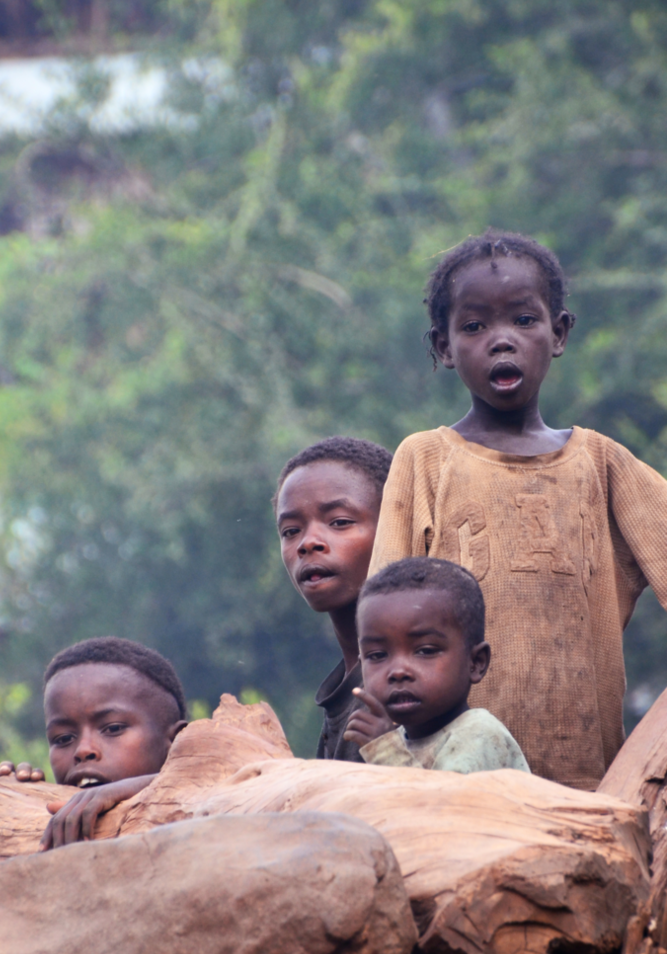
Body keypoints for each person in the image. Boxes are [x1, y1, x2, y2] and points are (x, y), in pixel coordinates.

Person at [369, 228, 667, 789]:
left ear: (559, 333)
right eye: (475, 326)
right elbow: (384, 616)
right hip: (452, 781)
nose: (501, 340)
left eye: (524, 321)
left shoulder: (601, 463)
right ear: (443, 347)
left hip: (588, 785)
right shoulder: (426, 460)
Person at [344, 556, 530, 773]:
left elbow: (441, 803)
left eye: (425, 651)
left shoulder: (479, 734)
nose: (398, 672)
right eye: (377, 655)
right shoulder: (391, 739)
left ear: (475, 662)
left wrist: (385, 751)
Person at [275, 436, 392, 761]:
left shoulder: (410, 682)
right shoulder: (349, 687)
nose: (308, 543)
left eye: (339, 522)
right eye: (290, 531)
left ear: (393, 525)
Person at [29, 636, 188, 848]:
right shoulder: (51, 822)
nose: (84, 750)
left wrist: (127, 789)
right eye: (64, 738)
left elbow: (210, 775)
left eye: (113, 729)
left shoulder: (218, 802)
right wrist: (8, 792)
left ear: (175, 741)